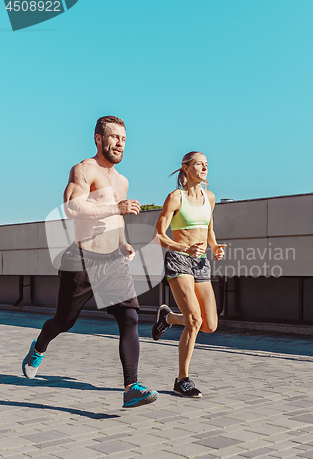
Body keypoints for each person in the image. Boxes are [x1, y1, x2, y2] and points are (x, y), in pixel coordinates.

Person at [22, 116, 158, 408]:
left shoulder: (122, 181)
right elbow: (72, 206)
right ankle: (40, 345)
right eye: (114, 137)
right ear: (99, 139)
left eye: (124, 138)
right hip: (81, 258)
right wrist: (114, 207)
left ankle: (131, 387)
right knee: (64, 320)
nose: (120, 143)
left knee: (130, 317)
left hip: (112, 261)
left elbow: (117, 219)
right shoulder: (84, 169)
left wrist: (123, 243)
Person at [152, 151, 225, 398]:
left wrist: (214, 247)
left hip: (201, 263)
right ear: (185, 168)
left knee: (209, 325)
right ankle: (182, 379)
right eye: (199, 164)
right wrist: (183, 247)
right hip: (179, 260)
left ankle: (169, 318)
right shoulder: (175, 198)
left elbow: (209, 228)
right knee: (194, 320)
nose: (204, 167)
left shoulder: (210, 197)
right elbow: (159, 235)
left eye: (206, 164)